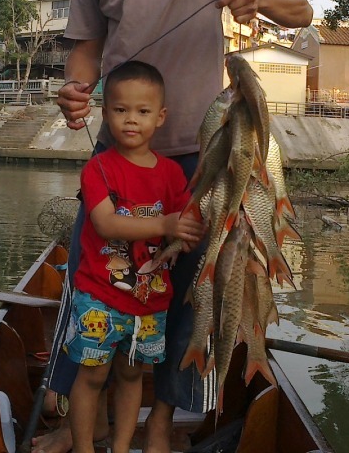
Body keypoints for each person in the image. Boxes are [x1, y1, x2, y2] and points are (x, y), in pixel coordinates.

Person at [33, 0, 313, 453]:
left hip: (201, 163)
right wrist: (76, 89)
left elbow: (300, 6)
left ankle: (159, 426)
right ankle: (84, 419)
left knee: (186, 294)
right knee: (95, 281)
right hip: (117, 161)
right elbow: (85, 50)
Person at [64, 60, 200, 453]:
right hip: (100, 299)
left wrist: (190, 231)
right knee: (92, 375)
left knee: (131, 376)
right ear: (105, 114)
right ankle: (85, 448)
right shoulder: (98, 169)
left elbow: (189, 226)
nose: (130, 120)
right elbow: (106, 224)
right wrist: (168, 225)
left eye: (142, 112)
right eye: (121, 110)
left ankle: (122, 447)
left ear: (161, 118)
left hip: (149, 303)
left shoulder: (173, 175)